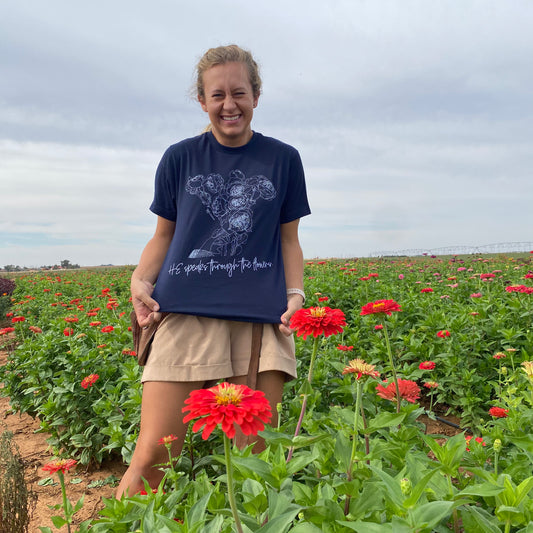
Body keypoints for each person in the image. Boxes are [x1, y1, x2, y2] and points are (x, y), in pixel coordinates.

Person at [116, 44, 311, 498]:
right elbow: (164, 235)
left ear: (256, 96)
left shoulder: (283, 160)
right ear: (202, 101)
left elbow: (289, 240)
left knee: (255, 463)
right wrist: (140, 279)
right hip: (183, 315)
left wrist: (296, 295)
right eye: (217, 95)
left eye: (239, 93)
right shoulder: (180, 158)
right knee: (152, 457)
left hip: (259, 323)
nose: (229, 105)